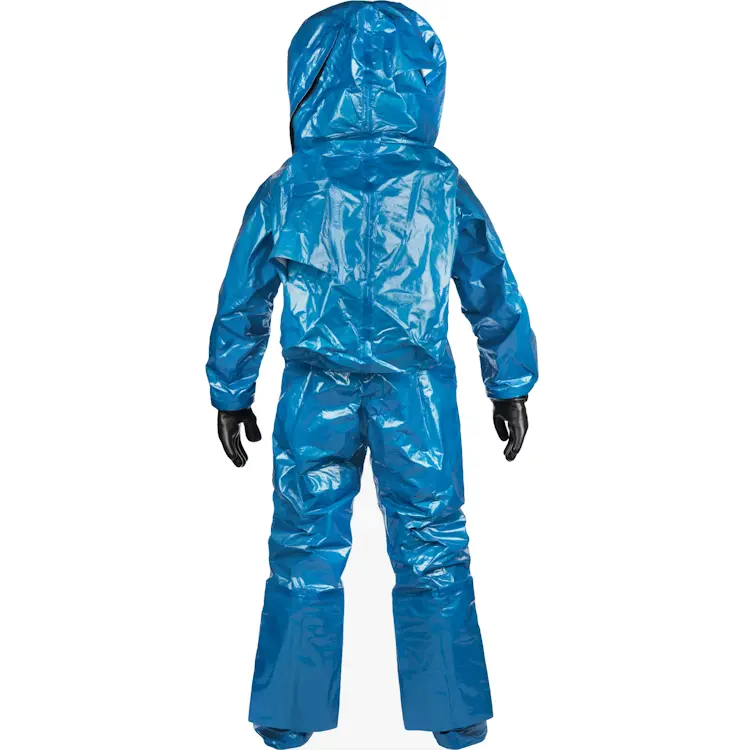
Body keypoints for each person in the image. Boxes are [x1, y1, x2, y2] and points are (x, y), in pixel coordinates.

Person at [206, 2, 538, 747]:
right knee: (433, 544)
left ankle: (287, 714)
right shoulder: (438, 181)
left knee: (303, 549)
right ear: (421, 80)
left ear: (310, 78)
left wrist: (231, 389)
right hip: (413, 392)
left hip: (314, 391)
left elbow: (244, 292)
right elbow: (488, 281)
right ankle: (453, 714)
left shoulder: (292, 182)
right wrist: (509, 381)